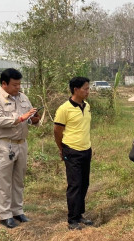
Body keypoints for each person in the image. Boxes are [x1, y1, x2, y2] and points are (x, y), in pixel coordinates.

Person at [0, 68, 40, 229]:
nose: (18, 88)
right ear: (4, 84)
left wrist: (34, 119)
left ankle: (17, 211)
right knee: (5, 181)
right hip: (5, 144)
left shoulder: (23, 97)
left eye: (19, 84)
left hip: (21, 143)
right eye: (15, 85)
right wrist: (20, 118)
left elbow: (30, 118)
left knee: (19, 179)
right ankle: (5, 215)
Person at [54, 77, 94, 230]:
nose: (88, 91)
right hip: (72, 151)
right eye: (85, 88)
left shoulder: (87, 106)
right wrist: (62, 148)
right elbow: (57, 131)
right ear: (76, 89)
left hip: (86, 150)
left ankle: (80, 214)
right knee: (75, 184)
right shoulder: (64, 109)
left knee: (84, 183)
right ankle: (72, 220)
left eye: (88, 88)